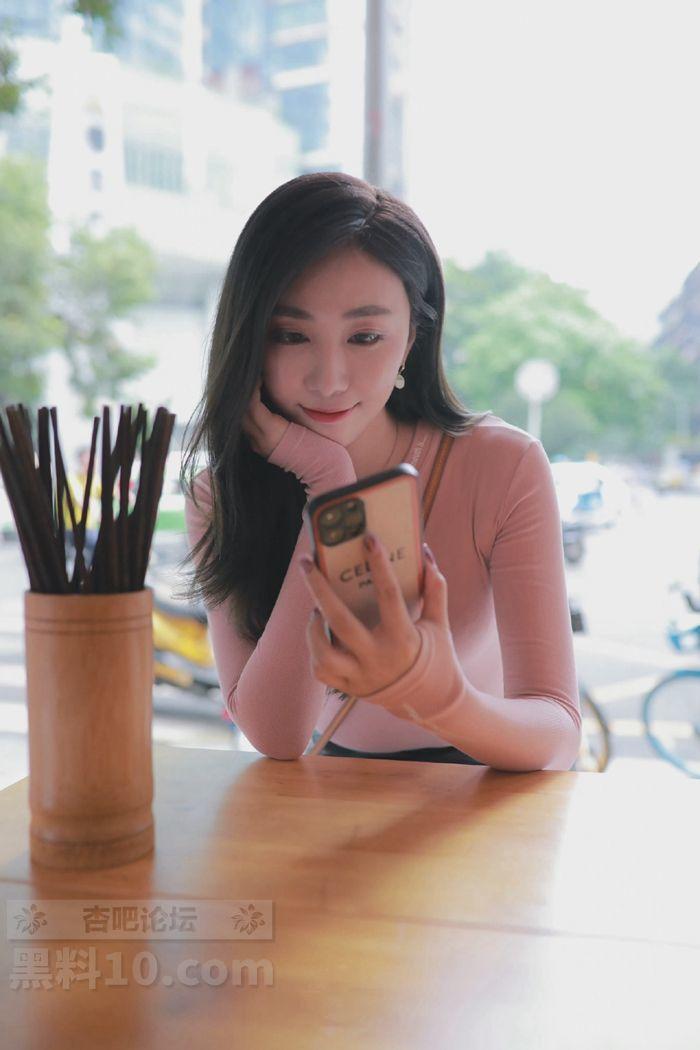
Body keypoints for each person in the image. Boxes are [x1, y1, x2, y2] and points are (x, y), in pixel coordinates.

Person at [178, 171, 581, 771]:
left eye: (364, 336)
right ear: (249, 339)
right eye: (291, 334)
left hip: (489, 786)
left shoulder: (502, 465)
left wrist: (441, 697)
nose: (329, 379)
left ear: (413, 336)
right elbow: (276, 735)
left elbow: (557, 731)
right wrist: (328, 487)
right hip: (333, 793)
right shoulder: (220, 495)